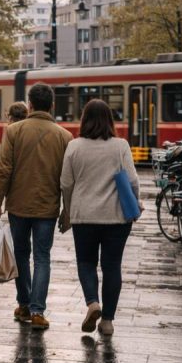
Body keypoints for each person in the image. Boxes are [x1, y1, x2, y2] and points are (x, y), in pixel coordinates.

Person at [0, 83, 72, 330]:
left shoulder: (13, 131)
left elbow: (4, 169)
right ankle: (38, 311)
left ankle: (24, 304)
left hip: (18, 206)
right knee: (42, 257)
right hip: (47, 207)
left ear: (30, 105)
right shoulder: (65, 136)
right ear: (52, 105)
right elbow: (68, 179)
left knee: (21, 255)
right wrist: (68, 210)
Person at [60, 100, 141, 336]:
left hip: (84, 217)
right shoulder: (120, 145)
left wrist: (68, 210)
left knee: (86, 263)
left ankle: (93, 303)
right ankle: (107, 321)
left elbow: (66, 183)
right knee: (112, 266)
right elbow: (133, 180)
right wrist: (135, 203)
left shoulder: (74, 147)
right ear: (109, 120)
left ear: (84, 119)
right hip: (116, 218)